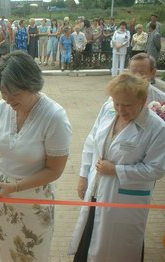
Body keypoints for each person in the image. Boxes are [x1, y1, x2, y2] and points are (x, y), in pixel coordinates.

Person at [0, 51, 72, 261]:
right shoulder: (1, 109)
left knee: (31, 253)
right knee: (7, 251)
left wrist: (15, 187)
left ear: (31, 85)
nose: (7, 100)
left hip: (34, 200)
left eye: (14, 94)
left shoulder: (54, 117)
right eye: (3, 93)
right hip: (3, 196)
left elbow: (54, 170)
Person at [69, 72, 165, 261]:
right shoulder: (108, 110)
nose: (120, 110)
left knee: (119, 248)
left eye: (127, 105)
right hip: (97, 191)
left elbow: (156, 169)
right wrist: (83, 177)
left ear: (143, 100)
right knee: (89, 241)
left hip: (123, 200)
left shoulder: (157, 128)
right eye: (117, 103)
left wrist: (117, 170)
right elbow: (91, 142)